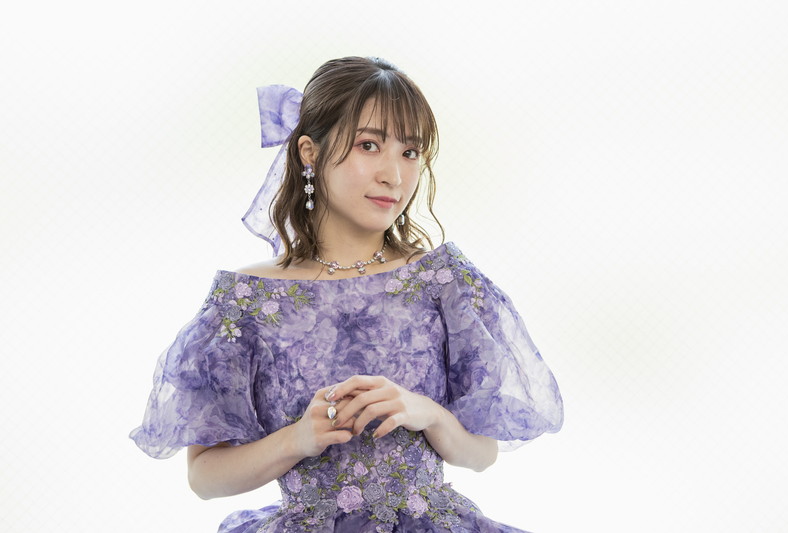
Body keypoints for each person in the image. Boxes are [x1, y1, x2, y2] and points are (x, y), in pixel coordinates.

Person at [131, 56, 564, 533]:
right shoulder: (247, 300)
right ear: (310, 152)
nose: (394, 176)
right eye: (369, 145)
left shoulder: (442, 281)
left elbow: (482, 454)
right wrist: (297, 439)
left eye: (410, 152)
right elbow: (203, 478)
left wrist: (428, 413)